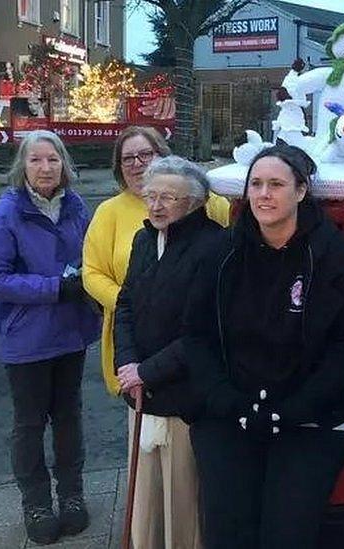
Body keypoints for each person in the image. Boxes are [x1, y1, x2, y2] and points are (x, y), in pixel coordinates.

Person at [185, 144, 344, 549]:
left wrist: (296, 408)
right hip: (230, 412)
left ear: (301, 191)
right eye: (256, 184)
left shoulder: (334, 257)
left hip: (309, 416)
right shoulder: (222, 253)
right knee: (227, 533)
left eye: (276, 184)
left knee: (286, 534)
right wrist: (228, 402)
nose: (264, 194)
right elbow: (195, 336)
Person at [0, 130, 100, 545]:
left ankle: (72, 495)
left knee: (68, 418)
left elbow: (91, 259)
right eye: (36, 160)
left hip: (70, 334)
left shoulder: (77, 206)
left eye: (53, 160)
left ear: (64, 164)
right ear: (22, 166)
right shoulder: (5, 213)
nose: (45, 168)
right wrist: (53, 288)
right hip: (26, 340)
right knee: (29, 424)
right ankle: (36, 501)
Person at [112, 156, 223, 548]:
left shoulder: (213, 247)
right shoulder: (144, 239)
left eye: (168, 198)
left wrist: (148, 371)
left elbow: (203, 332)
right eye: (151, 195)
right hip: (139, 389)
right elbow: (124, 304)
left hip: (184, 397)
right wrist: (127, 364)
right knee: (142, 502)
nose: (156, 205)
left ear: (194, 202)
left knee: (182, 505)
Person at [82, 126, 229, 398]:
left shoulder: (209, 208)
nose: (136, 164)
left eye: (145, 154)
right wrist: (137, 304)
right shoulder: (115, 216)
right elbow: (93, 273)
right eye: (128, 158)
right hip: (133, 343)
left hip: (185, 366)